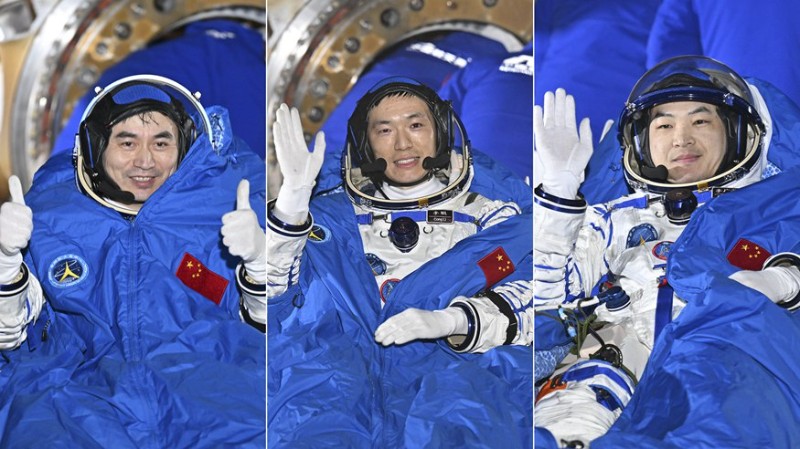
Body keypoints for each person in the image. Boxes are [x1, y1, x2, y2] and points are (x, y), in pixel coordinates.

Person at [533, 55, 800, 447]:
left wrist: (782, 280)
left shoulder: (773, 212)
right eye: (664, 125)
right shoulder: (614, 220)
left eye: (701, 121)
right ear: (643, 144)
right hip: (611, 365)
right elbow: (547, 305)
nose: (681, 138)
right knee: (571, 410)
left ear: (736, 134)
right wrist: (558, 201)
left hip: (720, 366)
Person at [0, 75, 266, 448]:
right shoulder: (50, 219)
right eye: (127, 143)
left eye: (161, 143)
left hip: (212, 394)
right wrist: (6, 265)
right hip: (77, 401)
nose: (145, 161)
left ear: (184, 146)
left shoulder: (224, 211)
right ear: (95, 147)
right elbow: (10, 337)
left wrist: (259, 263)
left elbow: (269, 328)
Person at [267, 77, 533, 448]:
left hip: (451, 385)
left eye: (416, 125)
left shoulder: (492, 218)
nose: (403, 143)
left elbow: (536, 296)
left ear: (441, 132)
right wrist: (292, 206)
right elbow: (276, 305)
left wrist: (455, 321)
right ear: (365, 144)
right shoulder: (325, 221)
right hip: (340, 387)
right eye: (384, 130)